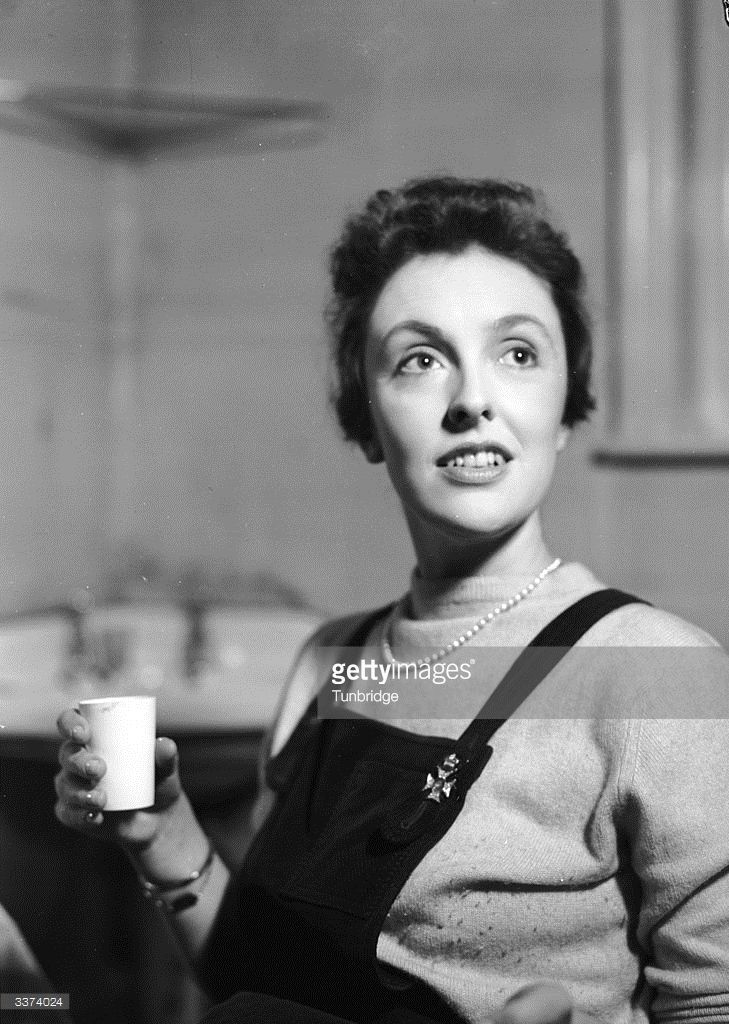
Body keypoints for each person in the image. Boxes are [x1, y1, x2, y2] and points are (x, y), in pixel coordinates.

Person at [54, 177, 729, 1024]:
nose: (472, 400)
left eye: (518, 354)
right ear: (366, 420)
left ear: (565, 408)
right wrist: (160, 831)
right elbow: (254, 973)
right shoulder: (330, 663)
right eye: (420, 359)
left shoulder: (658, 673)